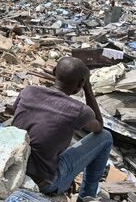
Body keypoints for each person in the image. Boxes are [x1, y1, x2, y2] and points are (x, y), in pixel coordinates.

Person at [12, 57, 112, 200]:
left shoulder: (28, 91)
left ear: (54, 72)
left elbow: (15, 114)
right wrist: (88, 87)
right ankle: (87, 196)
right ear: (80, 84)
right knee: (105, 137)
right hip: (45, 183)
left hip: (14, 171)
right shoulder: (79, 110)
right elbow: (99, 127)